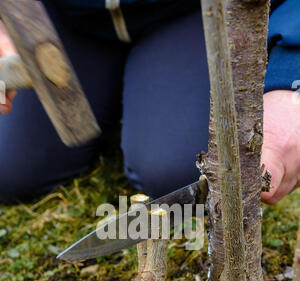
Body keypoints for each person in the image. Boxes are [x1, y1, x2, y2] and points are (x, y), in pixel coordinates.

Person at [0, 0, 299, 204]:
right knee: (10, 169)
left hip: (189, 13)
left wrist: (291, 78)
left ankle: (154, 97)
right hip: (55, 17)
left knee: (180, 171)